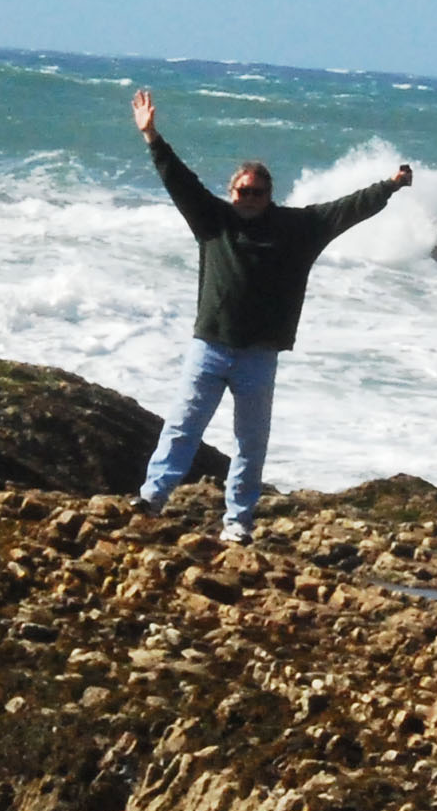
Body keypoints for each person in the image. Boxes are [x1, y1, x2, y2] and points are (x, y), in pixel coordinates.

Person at [130, 86, 412, 544]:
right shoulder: (213, 221)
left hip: (259, 356)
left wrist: (391, 186)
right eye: (243, 191)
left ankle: (238, 524)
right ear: (231, 191)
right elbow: (179, 180)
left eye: (258, 192)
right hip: (210, 347)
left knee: (250, 445)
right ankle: (152, 498)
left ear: (269, 194)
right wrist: (152, 137)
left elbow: (347, 209)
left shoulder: (297, 229)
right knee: (183, 426)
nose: (250, 198)